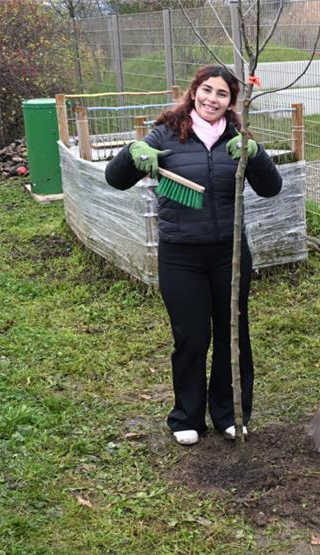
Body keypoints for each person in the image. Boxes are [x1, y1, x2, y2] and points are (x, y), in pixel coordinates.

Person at [105, 64, 282, 446]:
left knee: (233, 334)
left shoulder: (238, 136)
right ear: (194, 91)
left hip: (230, 255)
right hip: (180, 256)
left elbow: (271, 189)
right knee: (191, 337)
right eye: (206, 90)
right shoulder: (166, 132)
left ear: (231, 101)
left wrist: (256, 153)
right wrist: (131, 151)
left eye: (222, 94)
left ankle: (231, 413)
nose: (211, 99)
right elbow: (115, 179)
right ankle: (186, 416)